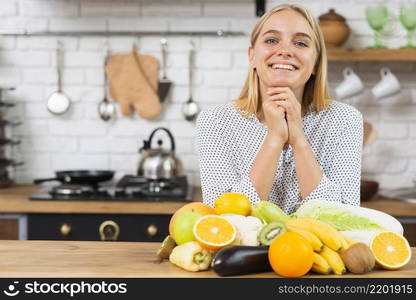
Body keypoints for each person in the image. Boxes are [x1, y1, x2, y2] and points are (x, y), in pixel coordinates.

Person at [196, 4, 363, 214]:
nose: (285, 51)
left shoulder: (345, 120)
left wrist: (299, 140)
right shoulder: (215, 121)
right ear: (252, 56)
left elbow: (344, 218)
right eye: (271, 40)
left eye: (301, 43)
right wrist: (274, 139)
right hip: (245, 249)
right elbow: (223, 219)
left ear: (316, 64)